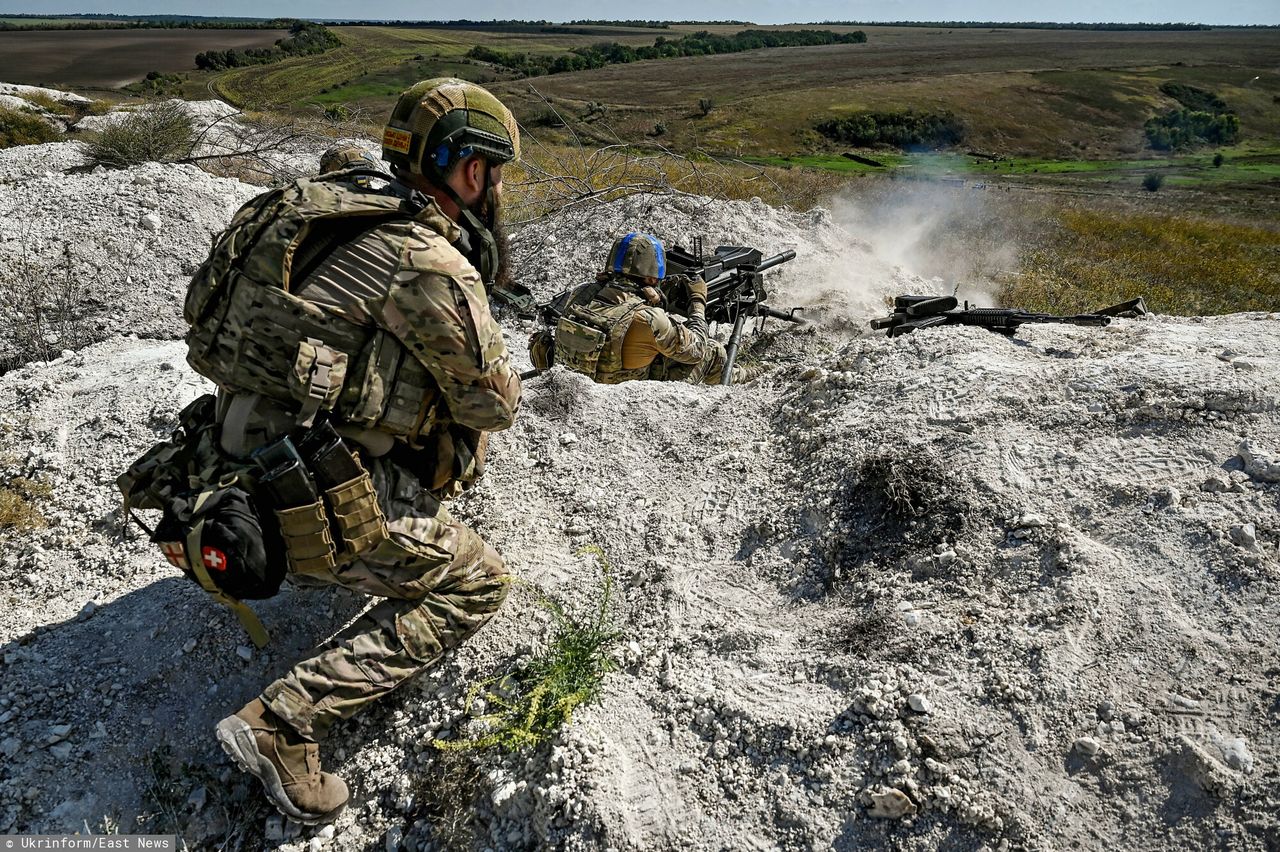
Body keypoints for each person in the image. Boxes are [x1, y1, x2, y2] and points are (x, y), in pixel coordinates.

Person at [179, 79, 523, 825]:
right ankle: (285, 722)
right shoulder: (429, 261)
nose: (495, 191)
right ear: (471, 172)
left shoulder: (322, 212)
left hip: (220, 462)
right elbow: (491, 403)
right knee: (479, 583)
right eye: (494, 174)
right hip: (299, 497)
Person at [533, 233, 761, 385]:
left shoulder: (581, 294)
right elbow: (697, 349)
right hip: (624, 397)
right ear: (652, 279)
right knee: (712, 351)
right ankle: (744, 376)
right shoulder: (648, 319)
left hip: (584, 381)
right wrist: (698, 302)